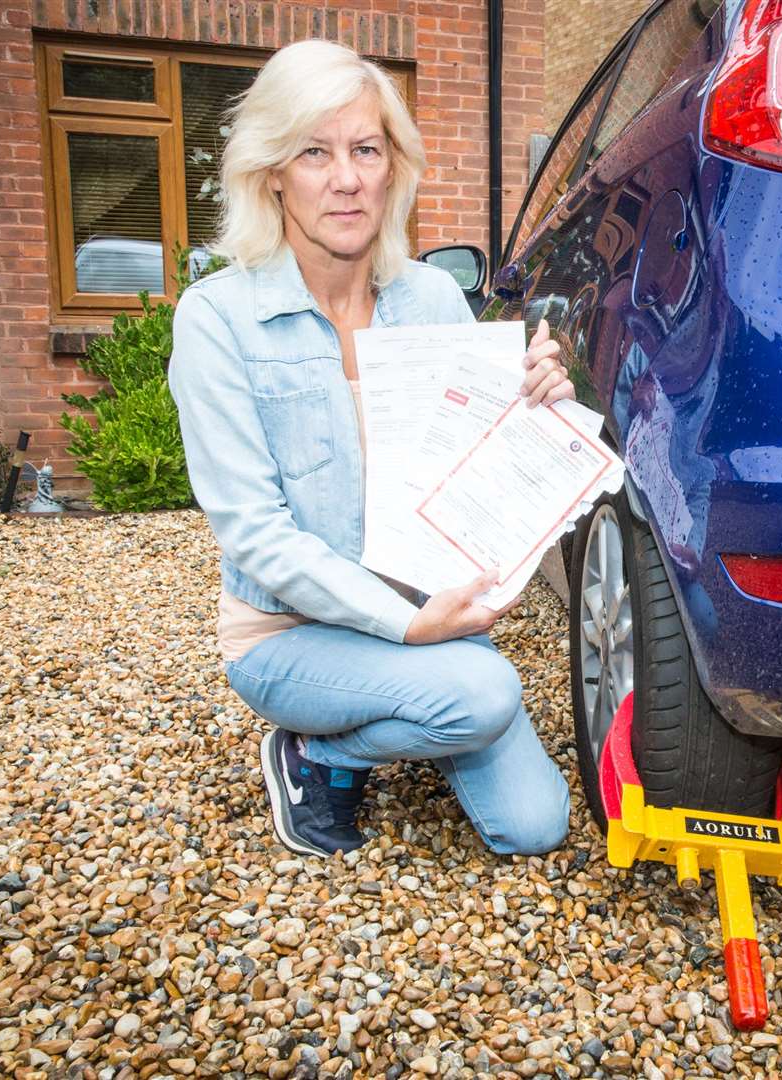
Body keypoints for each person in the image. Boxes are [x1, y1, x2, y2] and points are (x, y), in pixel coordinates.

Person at [169, 39, 573, 859]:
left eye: (365, 149)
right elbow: (255, 535)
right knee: (485, 690)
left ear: (393, 167)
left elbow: (484, 470)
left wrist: (535, 407)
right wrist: (410, 627)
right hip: (289, 634)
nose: (345, 178)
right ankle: (313, 748)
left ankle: (360, 735)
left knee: (538, 827)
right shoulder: (217, 319)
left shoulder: (430, 297)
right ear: (273, 171)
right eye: (315, 153)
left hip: (428, 617)